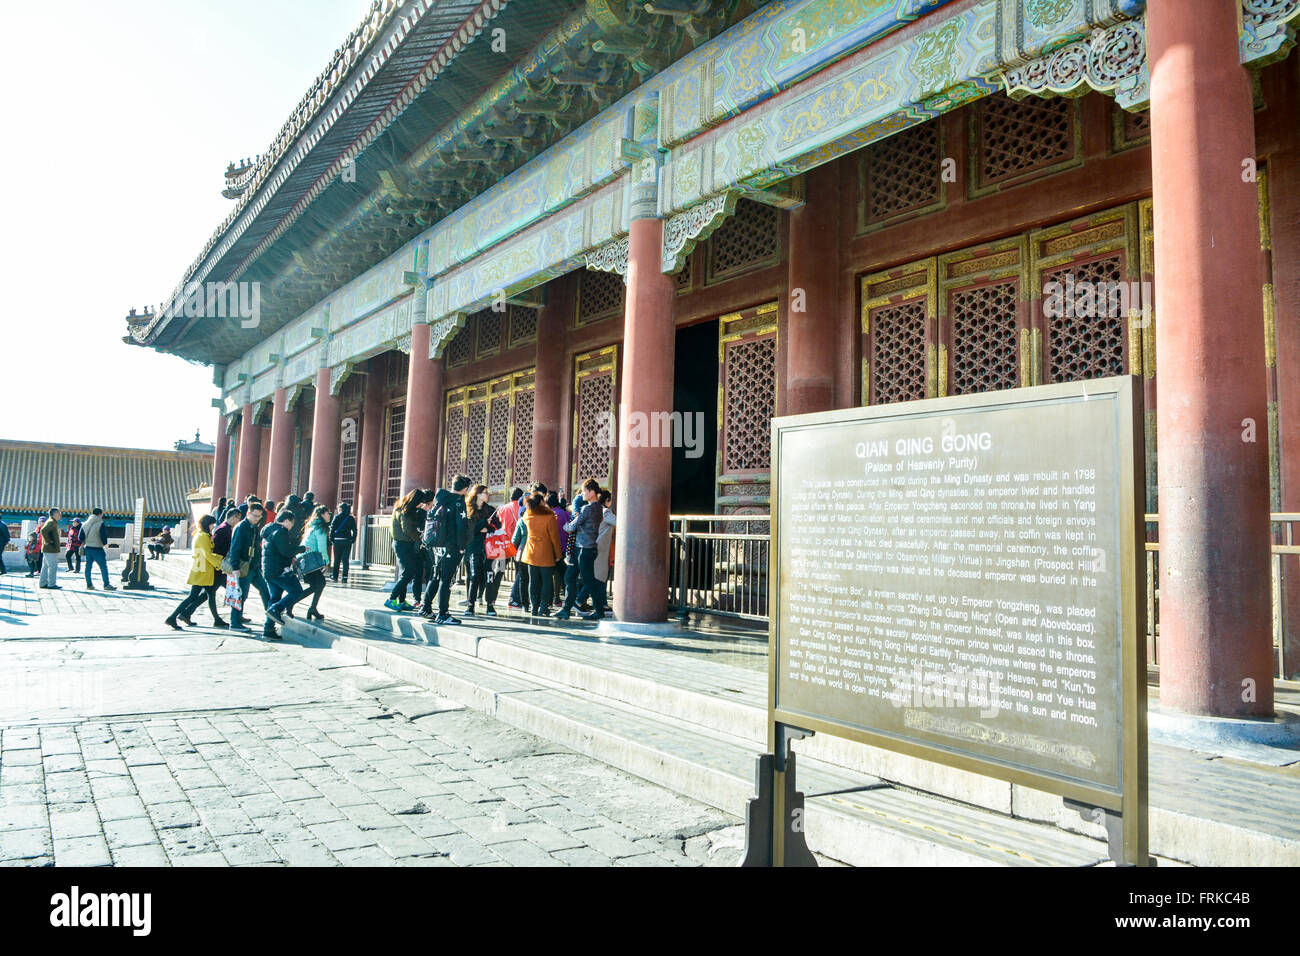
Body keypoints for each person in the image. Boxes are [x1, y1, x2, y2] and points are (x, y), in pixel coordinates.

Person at [417, 475, 472, 624]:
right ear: (466, 489)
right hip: (451, 545)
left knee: (435, 576)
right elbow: (461, 526)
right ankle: (443, 614)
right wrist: (462, 546)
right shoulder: (458, 502)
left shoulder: (440, 499)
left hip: (436, 545)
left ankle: (426, 607)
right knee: (446, 579)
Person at [164, 514, 225, 630]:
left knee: (209, 595)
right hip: (202, 570)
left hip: (202, 569)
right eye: (212, 524)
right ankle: (172, 617)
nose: (214, 526)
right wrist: (220, 564)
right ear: (208, 524)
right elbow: (207, 554)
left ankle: (216, 620)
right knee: (193, 596)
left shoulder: (202, 535)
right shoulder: (203, 536)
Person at [385, 488, 434, 612]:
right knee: (408, 573)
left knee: (406, 573)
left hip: (405, 544)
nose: (421, 505)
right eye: (420, 502)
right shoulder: (404, 511)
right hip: (402, 544)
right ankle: (391, 599)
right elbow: (408, 530)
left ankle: (401, 601)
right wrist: (420, 538)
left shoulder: (405, 509)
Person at [261, 510, 306, 640]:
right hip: (279, 570)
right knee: (296, 591)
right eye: (291, 523)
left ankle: (268, 629)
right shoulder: (281, 531)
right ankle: (276, 610)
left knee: (274, 597)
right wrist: (301, 549)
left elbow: (278, 550)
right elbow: (286, 551)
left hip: (268, 570)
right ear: (286, 520)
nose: (292, 526)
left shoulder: (269, 529)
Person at [564, 478, 605, 620]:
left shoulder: (587, 508)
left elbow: (571, 526)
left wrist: (567, 524)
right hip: (586, 547)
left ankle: (599, 610)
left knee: (587, 580)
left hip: (584, 548)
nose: (582, 494)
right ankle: (566, 609)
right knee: (573, 577)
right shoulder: (599, 507)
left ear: (592, 492)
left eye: (584, 491)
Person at [520, 491, 562, 618]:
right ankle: (544, 606)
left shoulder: (527, 515)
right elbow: (554, 537)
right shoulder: (549, 516)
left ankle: (534, 606)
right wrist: (558, 554)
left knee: (533, 581)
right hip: (545, 552)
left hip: (530, 552)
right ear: (541, 502)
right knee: (546, 581)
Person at [223, 505, 262, 632]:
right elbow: (235, 548)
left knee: (263, 589)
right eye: (255, 515)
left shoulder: (254, 527)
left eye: (259, 516)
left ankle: (270, 618)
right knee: (240, 594)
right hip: (243, 565)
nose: (257, 518)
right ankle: (234, 622)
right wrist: (235, 567)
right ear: (248, 513)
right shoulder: (241, 527)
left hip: (253, 566)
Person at [462, 484, 498, 616]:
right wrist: (483, 524)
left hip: (489, 547)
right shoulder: (469, 509)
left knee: (489, 576)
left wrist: (488, 528)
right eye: (485, 493)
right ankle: (471, 605)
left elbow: (497, 526)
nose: (487, 495)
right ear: (478, 494)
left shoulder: (490, 509)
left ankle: (490, 605)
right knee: (475, 576)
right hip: (474, 547)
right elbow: (469, 529)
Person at [497, 487, 526, 610]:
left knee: (499, 570)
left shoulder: (503, 508)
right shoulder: (522, 508)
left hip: (504, 545)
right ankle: (516, 597)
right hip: (518, 545)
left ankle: (491, 596)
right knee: (520, 572)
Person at [301, 505, 331, 621]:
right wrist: (326, 562)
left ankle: (312, 608)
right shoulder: (321, 528)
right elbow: (322, 547)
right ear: (322, 514)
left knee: (318, 584)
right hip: (311, 560)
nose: (329, 515)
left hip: (305, 559)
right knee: (319, 584)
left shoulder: (312, 525)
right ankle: (291, 601)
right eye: (327, 513)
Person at [81, 508, 116, 591]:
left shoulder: (85, 524)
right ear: (100, 514)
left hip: (88, 548)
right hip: (97, 548)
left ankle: (89, 585)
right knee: (103, 567)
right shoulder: (100, 523)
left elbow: (80, 537)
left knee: (88, 567)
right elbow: (103, 537)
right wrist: (104, 544)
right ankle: (106, 584)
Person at [594, 488, 616, 617]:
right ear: (607, 500)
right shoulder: (606, 512)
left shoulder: (595, 510)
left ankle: (602, 603)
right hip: (602, 548)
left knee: (599, 576)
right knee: (599, 577)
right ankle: (579, 600)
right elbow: (620, 522)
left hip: (595, 545)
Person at [548, 491, 571, 608]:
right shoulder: (565, 513)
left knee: (551, 575)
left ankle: (554, 598)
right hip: (565, 548)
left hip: (552, 549)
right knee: (563, 575)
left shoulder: (550, 514)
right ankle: (566, 598)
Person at [329, 502, 357, 583]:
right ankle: (344, 577)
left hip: (337, 540)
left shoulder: (336, 517)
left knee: (336, 560)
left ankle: (335, 576)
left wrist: (332, 539)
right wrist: (353, 539)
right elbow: (354, 530)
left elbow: (332, 529)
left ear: (340, 509)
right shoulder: (351, 518)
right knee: (345, 560)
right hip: (347, 540)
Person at [39, 508, 62, 589]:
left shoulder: (51, 521)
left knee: (45, 566)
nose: (60, 515)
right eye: (59, 514)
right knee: (53, 566)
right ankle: (51, 584)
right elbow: (43, 530)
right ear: (54, 514)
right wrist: (48, 541)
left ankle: (42, 583)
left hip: (47, 548)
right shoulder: (52, 522)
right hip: (50, 549)